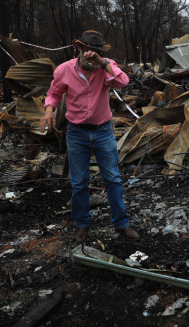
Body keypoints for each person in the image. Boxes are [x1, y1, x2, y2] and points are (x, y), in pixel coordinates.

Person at [39, 30, 140, 243]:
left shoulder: (105, 67)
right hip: (76, 133)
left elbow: (123, 81)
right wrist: (49, 111)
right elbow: (54, 93)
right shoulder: (64, 70)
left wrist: (103, 62)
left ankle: (121, 223)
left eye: (95, 52)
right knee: (79, 182)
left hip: (103, 131)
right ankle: (82, 224)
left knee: (112, 178)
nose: (90, 56)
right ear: (79, 48)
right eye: (88, 51)